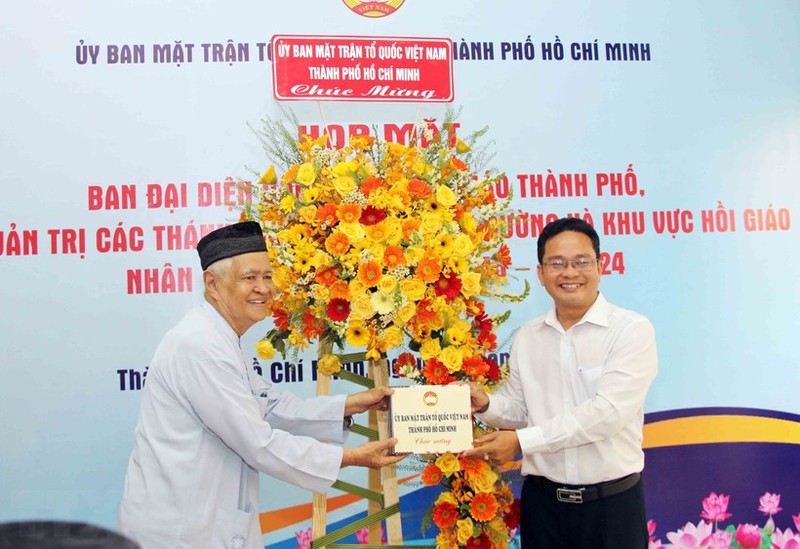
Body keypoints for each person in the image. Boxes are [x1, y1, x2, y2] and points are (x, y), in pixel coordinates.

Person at [117, 221, 404, 549]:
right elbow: (257, 442)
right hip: (180, 529)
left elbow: (268, 406)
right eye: (249, 278)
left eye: (267, 277)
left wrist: (353, 404)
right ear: (212, 284)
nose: (264, 288)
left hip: (204, 522)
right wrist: (350, 457)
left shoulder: (221, 338)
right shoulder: (198, 346)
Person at [461, 217, 658, 548]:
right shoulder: (528, 337)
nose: (570, 273)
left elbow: (606, 414)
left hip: (612, 508)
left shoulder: (630, 330)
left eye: (581, 261)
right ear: (541, 273)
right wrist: (487, 405)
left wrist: (522, 442)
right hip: (544, 507)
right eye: (557, 263)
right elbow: (522, 410)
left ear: (600, 265)